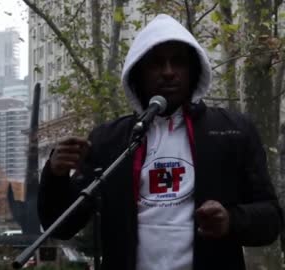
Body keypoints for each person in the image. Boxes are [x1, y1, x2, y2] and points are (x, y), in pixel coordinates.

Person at [37, 14, 283, 270]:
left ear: (194, 70)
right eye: (156, 63)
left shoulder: (233, 130)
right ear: (138, 73)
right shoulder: (109, 140)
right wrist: (56, 175)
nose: (168, 72)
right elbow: (61, 226)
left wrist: (231, 220)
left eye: (178, 62)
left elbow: (271, 222)